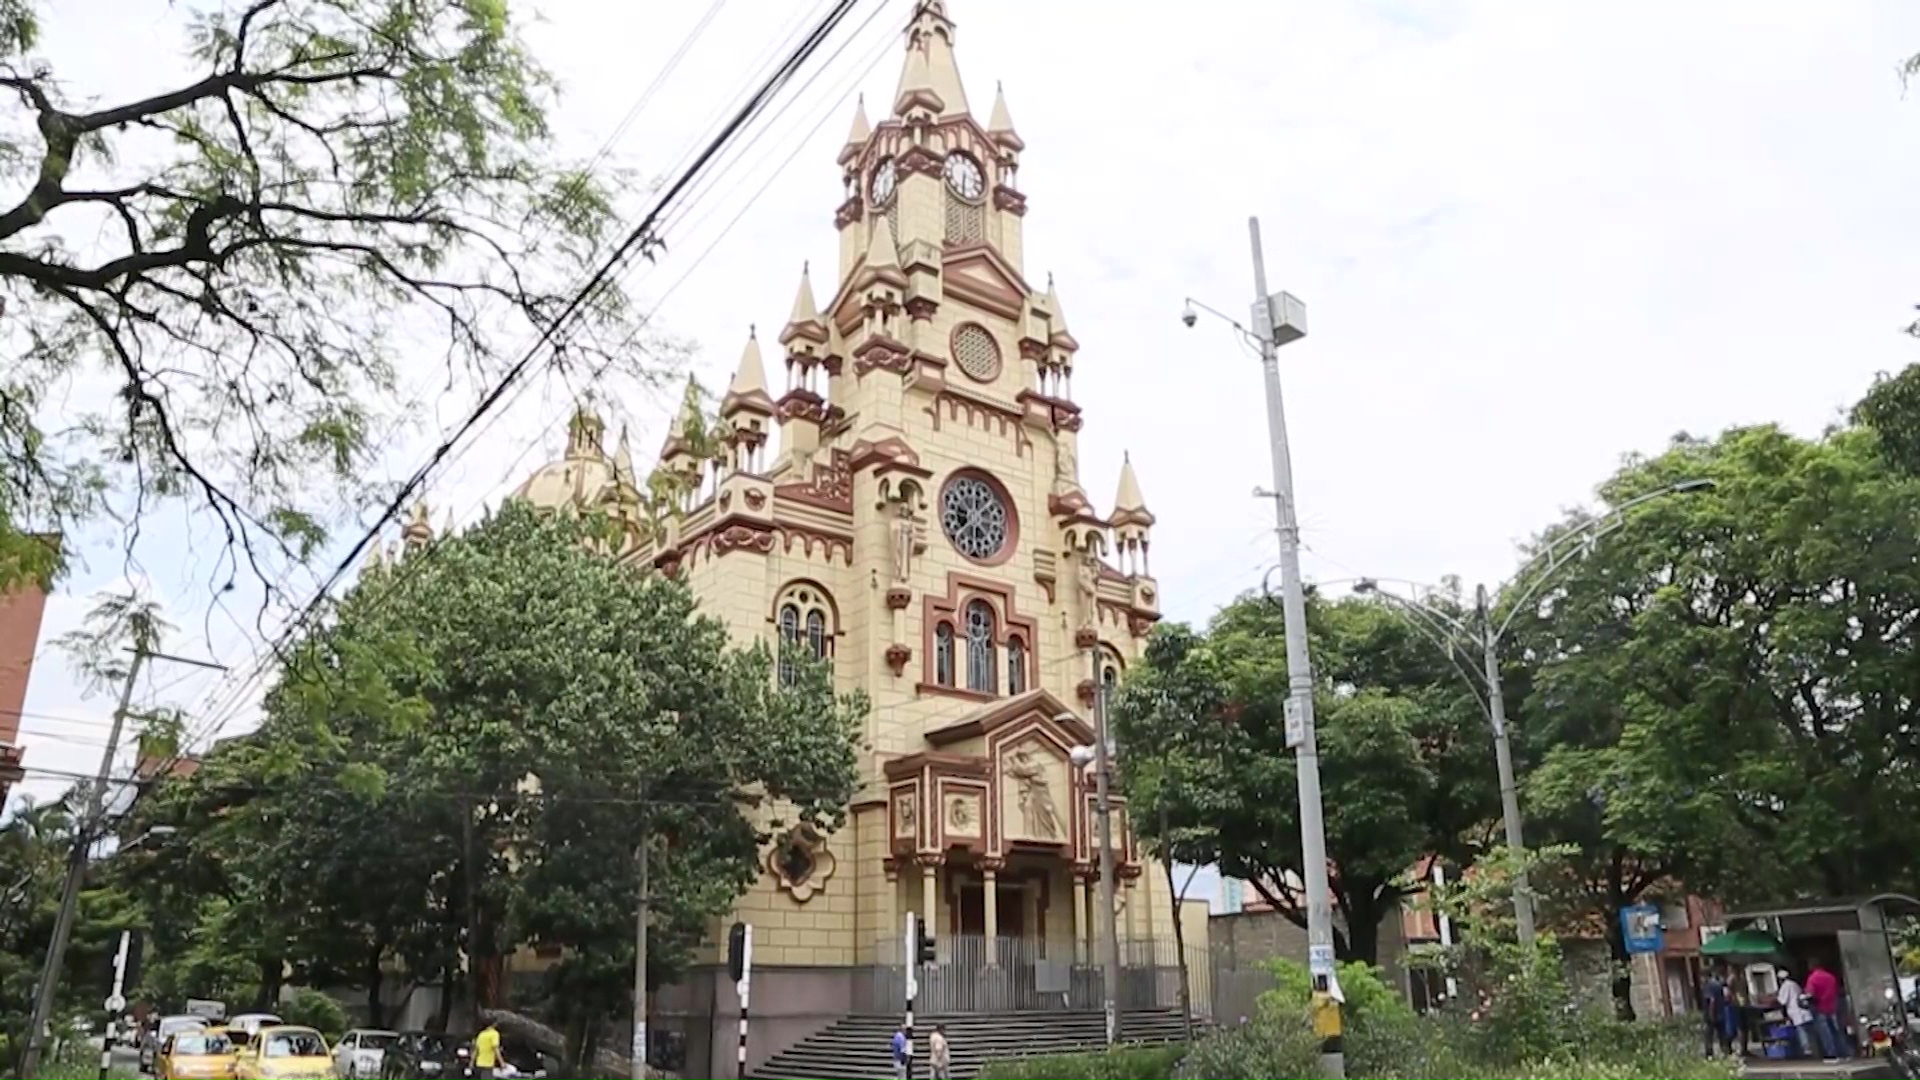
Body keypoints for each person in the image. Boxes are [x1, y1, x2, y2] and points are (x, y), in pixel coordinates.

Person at [1805, 959, 1848, 1060]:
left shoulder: (1812, 978)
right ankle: (1844, 1053)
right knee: (1837, 1031)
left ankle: (1832, 1055)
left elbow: (1810, 994)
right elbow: (1836, 991)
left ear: (1811, 966)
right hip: (1832, 1007)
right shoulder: (1831, 977)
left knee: (1826, 1033)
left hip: (1820, 1008)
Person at [1776, 968, 1814, 1058]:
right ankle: (1813, 1049)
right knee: (1809, 1031)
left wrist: (1775, 997)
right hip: (1803, 1011)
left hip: (1796, 1012)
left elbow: (1782, 1001)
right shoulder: (1795, 984)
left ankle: (1807, 1050)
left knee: (1802, 1031)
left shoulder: (1785, 986)